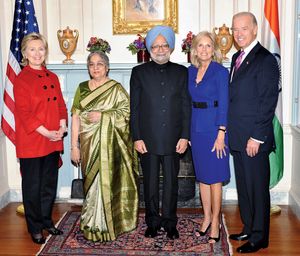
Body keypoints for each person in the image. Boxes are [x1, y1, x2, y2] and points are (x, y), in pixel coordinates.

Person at [130, 25, 191, 240]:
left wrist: (185, 135)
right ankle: (153, 222)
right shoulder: (138, 72)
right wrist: (136, 137)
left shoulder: (182, 72)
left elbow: (186, 106)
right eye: (155, 46)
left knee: (172, 184)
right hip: (147, 139)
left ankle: (170, 223)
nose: (160, 49)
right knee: (151, 184)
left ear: (171, 47)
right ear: (149, 48)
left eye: (164, 45)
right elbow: (134, 108)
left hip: (175, 139)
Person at [70, 51, 139, 242]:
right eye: (91, 64)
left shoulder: (115, 89)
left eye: (100, 64)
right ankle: (92, 222)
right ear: (88, 68)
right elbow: (75, 117)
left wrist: (104, 116)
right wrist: (74, 146)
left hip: (111, 145)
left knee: (107, 182)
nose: (96, 68)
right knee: (91, 184)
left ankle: (110, 223)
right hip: (87, 143)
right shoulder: (82, 88)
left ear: (107, 67)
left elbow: (127, 114)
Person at [228, 12, 279, 253]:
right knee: (245, 188)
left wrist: (257, 137)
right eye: (235, 29)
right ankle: (249, 227)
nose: (238, 33)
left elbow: (268, 101)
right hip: (238, 137)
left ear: (255, 30)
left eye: (244, 28)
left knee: (258, 189)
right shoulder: (236, 58)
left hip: (254, 139)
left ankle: (260, 237)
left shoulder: (265, 59)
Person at [14, 33, 67, 244]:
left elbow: (61, 105)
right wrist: (47, 132)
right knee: (32, 187)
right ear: (25, 53)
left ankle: (46, 220)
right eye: (32, 49)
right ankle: (34, 227)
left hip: (53, 139)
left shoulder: (52, 77)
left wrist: (62, 126)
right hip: (33, 141)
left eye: (41, 49)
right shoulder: (21, 79)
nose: (37, 54)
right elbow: (24, 113)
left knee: (48, 185)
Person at [188, 31, 230, 243]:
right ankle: (205, 218)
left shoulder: (220, 72)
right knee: (203, 178)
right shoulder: (190, 71)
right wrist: (187, 133)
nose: (204, 49)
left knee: (215, 179)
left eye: (208, 45)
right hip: (196, 130)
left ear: (213, 49)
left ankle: (215, 223)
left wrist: (221, 133)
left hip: (215, 130)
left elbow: (224, 103)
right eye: (200, 46)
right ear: (194, 49)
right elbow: (187, 103)